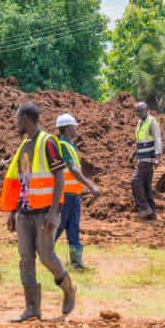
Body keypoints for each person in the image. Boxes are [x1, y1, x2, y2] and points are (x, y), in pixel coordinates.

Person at [0, 103, 76, 322]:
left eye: (17, 118)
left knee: (46, 256)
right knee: (25, 259)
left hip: (44, 212)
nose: (15, 123)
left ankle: (68, 288)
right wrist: (12, 212)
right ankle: (32, 308)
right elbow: (22, 182)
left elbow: (59, 178)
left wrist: (53, 212)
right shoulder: (24, 145)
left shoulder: (47, 142)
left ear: (25, 118)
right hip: (24, 212)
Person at [54, 113, 101, 269]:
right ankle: (44, 254)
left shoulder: (70, 145)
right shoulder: (62, 145)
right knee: (59, 227)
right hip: (65, 194)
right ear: (67, 128)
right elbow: (73, 170)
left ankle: (76, 263)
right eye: (74, 126)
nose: (76, 129)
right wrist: (90, 186)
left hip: (73, 194)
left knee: (73, 228)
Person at [128, 101, 162, 220]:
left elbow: (158, 139)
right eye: (136, 111)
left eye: (140, 111)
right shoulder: (140, 122)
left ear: (147, 110)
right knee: (146, 186)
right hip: (141, 157)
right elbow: (141, 141)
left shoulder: (151, 122)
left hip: (147, 159)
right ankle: (152, 213)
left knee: (135, 181)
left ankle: (144, 208)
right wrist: (133, 154)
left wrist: (157, 158)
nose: (138, 113)